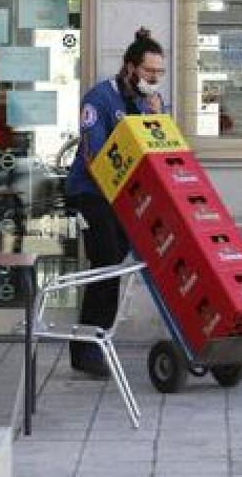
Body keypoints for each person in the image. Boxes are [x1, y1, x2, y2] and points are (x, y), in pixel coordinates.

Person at [65, 27, 166, 376]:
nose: (154, 78)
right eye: (149, 71)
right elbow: (94, 156)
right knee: (105, 262)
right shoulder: (99, 99)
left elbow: (160, 149)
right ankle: (87, 348)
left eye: (159, 72)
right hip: (93, 193)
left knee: (115, 265)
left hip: (128, 195)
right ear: (129, 67)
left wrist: (157, 117)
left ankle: (93, 340)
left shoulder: (150, 102)